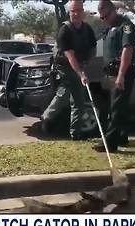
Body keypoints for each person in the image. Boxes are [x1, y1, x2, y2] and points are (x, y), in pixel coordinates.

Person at [40, 0, 97, 140]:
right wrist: (81, 73)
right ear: (69, 13)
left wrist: (86, 63)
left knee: (71, 97)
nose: (76, 13)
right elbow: (70, 56)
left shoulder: (87, 29)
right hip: (65, 67)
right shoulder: (65, 30)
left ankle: (71, 131)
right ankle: (49, 119)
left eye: (79, 10)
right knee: (72, 95)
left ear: (83, 12)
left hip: (79, 66)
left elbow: (93, 49)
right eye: (73, 11)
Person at [93, 0, 135, 153]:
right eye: (101, 17)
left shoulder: (125, 26)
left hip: (123, 73)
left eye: (104, 16)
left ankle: (110, 144)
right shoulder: (110, 28)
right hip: (112, 73)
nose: (103, 19)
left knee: (116, 108)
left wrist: (121, 76)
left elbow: (128, 51)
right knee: (121, 106)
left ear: (112, 11)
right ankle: (122, 137)